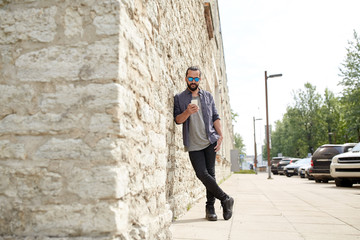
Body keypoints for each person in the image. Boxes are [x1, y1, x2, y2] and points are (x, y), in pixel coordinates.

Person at [173, 66, 234, 221]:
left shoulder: (207, 96)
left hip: (209, 141)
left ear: (199, 79)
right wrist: (187, 112)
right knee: (201, 173)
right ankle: (226, 199)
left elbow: (215, 116)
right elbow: (177, 120)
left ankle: (210, 208)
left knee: (211, 174)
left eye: (196, 78)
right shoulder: (179, 98)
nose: (193, 81)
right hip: (193, 143)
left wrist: (220, 135)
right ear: (186, 78)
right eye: (190, 78)